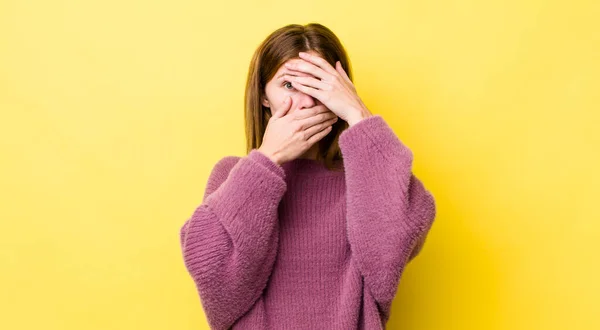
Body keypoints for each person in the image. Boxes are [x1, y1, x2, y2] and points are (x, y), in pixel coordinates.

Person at [179, 22, 437, 330]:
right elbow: (215, 281)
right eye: (288, 86)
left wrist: (358, 115)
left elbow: (389, 257)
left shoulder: (364, 177)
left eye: (318, 84)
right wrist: (267, 160)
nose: (306, 101)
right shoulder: (234, 175)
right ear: (264, 96)